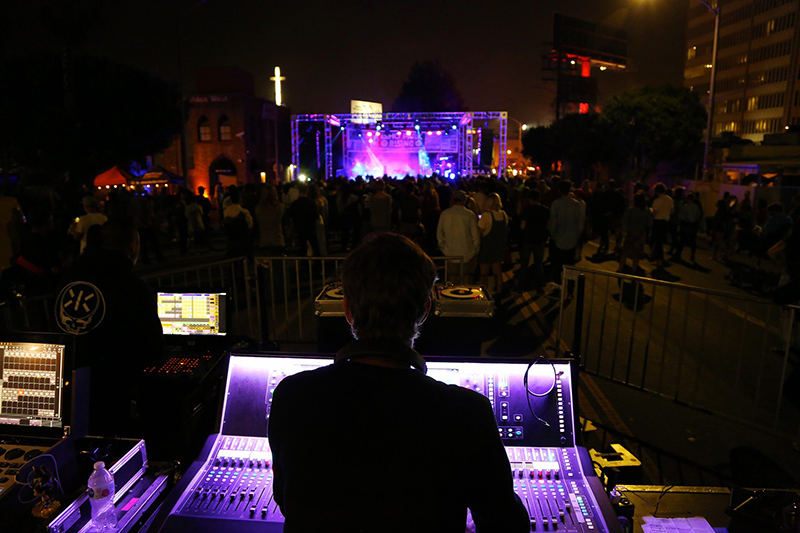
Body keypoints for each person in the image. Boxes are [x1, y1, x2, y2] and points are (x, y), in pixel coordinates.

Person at [268, 233, 529, 532]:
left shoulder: (292, 395)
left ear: (348, 310)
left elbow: (287, 500)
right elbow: (507, 525)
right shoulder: (467, 412)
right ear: (426, 309)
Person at [56, 219, 162, 437]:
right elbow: (152, 346)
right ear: (133, 245)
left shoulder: (68, 278)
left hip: (67, 379)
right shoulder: (133, 287)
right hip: (115, 386)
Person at [437, 189, 480, 284]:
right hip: (468, 253)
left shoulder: (445, 214)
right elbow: (475, 236)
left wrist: (444, 248)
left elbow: (439, 234)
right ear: (464, 201)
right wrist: (475, 250)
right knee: (467, 281)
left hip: (450, 253)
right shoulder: (469, 215)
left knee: (452, 281)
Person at [549, 180, 584, 291]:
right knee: (570, 265)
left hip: (558, 239)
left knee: (557, 266)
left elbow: (553, 223)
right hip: (572, 239)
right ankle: (570, 289)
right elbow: (580, 224)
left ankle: (558, 288)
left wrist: (553, 235)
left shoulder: (556, 204)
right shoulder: (577, 205)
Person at [478, 192, 510, 296]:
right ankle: (499, 291)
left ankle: (484, 293)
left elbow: (480, 232)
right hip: (499, 246)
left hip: (487, 247)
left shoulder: (486, 216)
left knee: (484, 273)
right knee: (498, 271)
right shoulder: (504, 215)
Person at [517, 188, 550, 293]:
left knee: (524, 264)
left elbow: (522, 226)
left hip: (527, 239)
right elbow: (549, 225)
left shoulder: (527, 209)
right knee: (538, 264)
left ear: (530, 199)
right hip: (540, 240)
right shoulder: (545, 210)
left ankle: (520, 287)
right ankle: (539, 287)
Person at [618, 191, 653, 273]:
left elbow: (624, 221)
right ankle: (634, 270)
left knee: (624, 252)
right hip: (641, 234)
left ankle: (621, 269)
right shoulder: (647, 211)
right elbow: (649, 223)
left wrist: (625, 230)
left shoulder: (630, 210)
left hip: (631, 233)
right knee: (636, 255)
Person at [650, 183, 674, 267]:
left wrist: (651, 212)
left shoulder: (657, 201)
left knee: (657, 242)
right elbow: (672, 211)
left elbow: (654, 212)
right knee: (660, 241)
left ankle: (658, 260)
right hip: (665, 221)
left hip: (657, 221)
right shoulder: (669, 199)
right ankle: (659, 259)